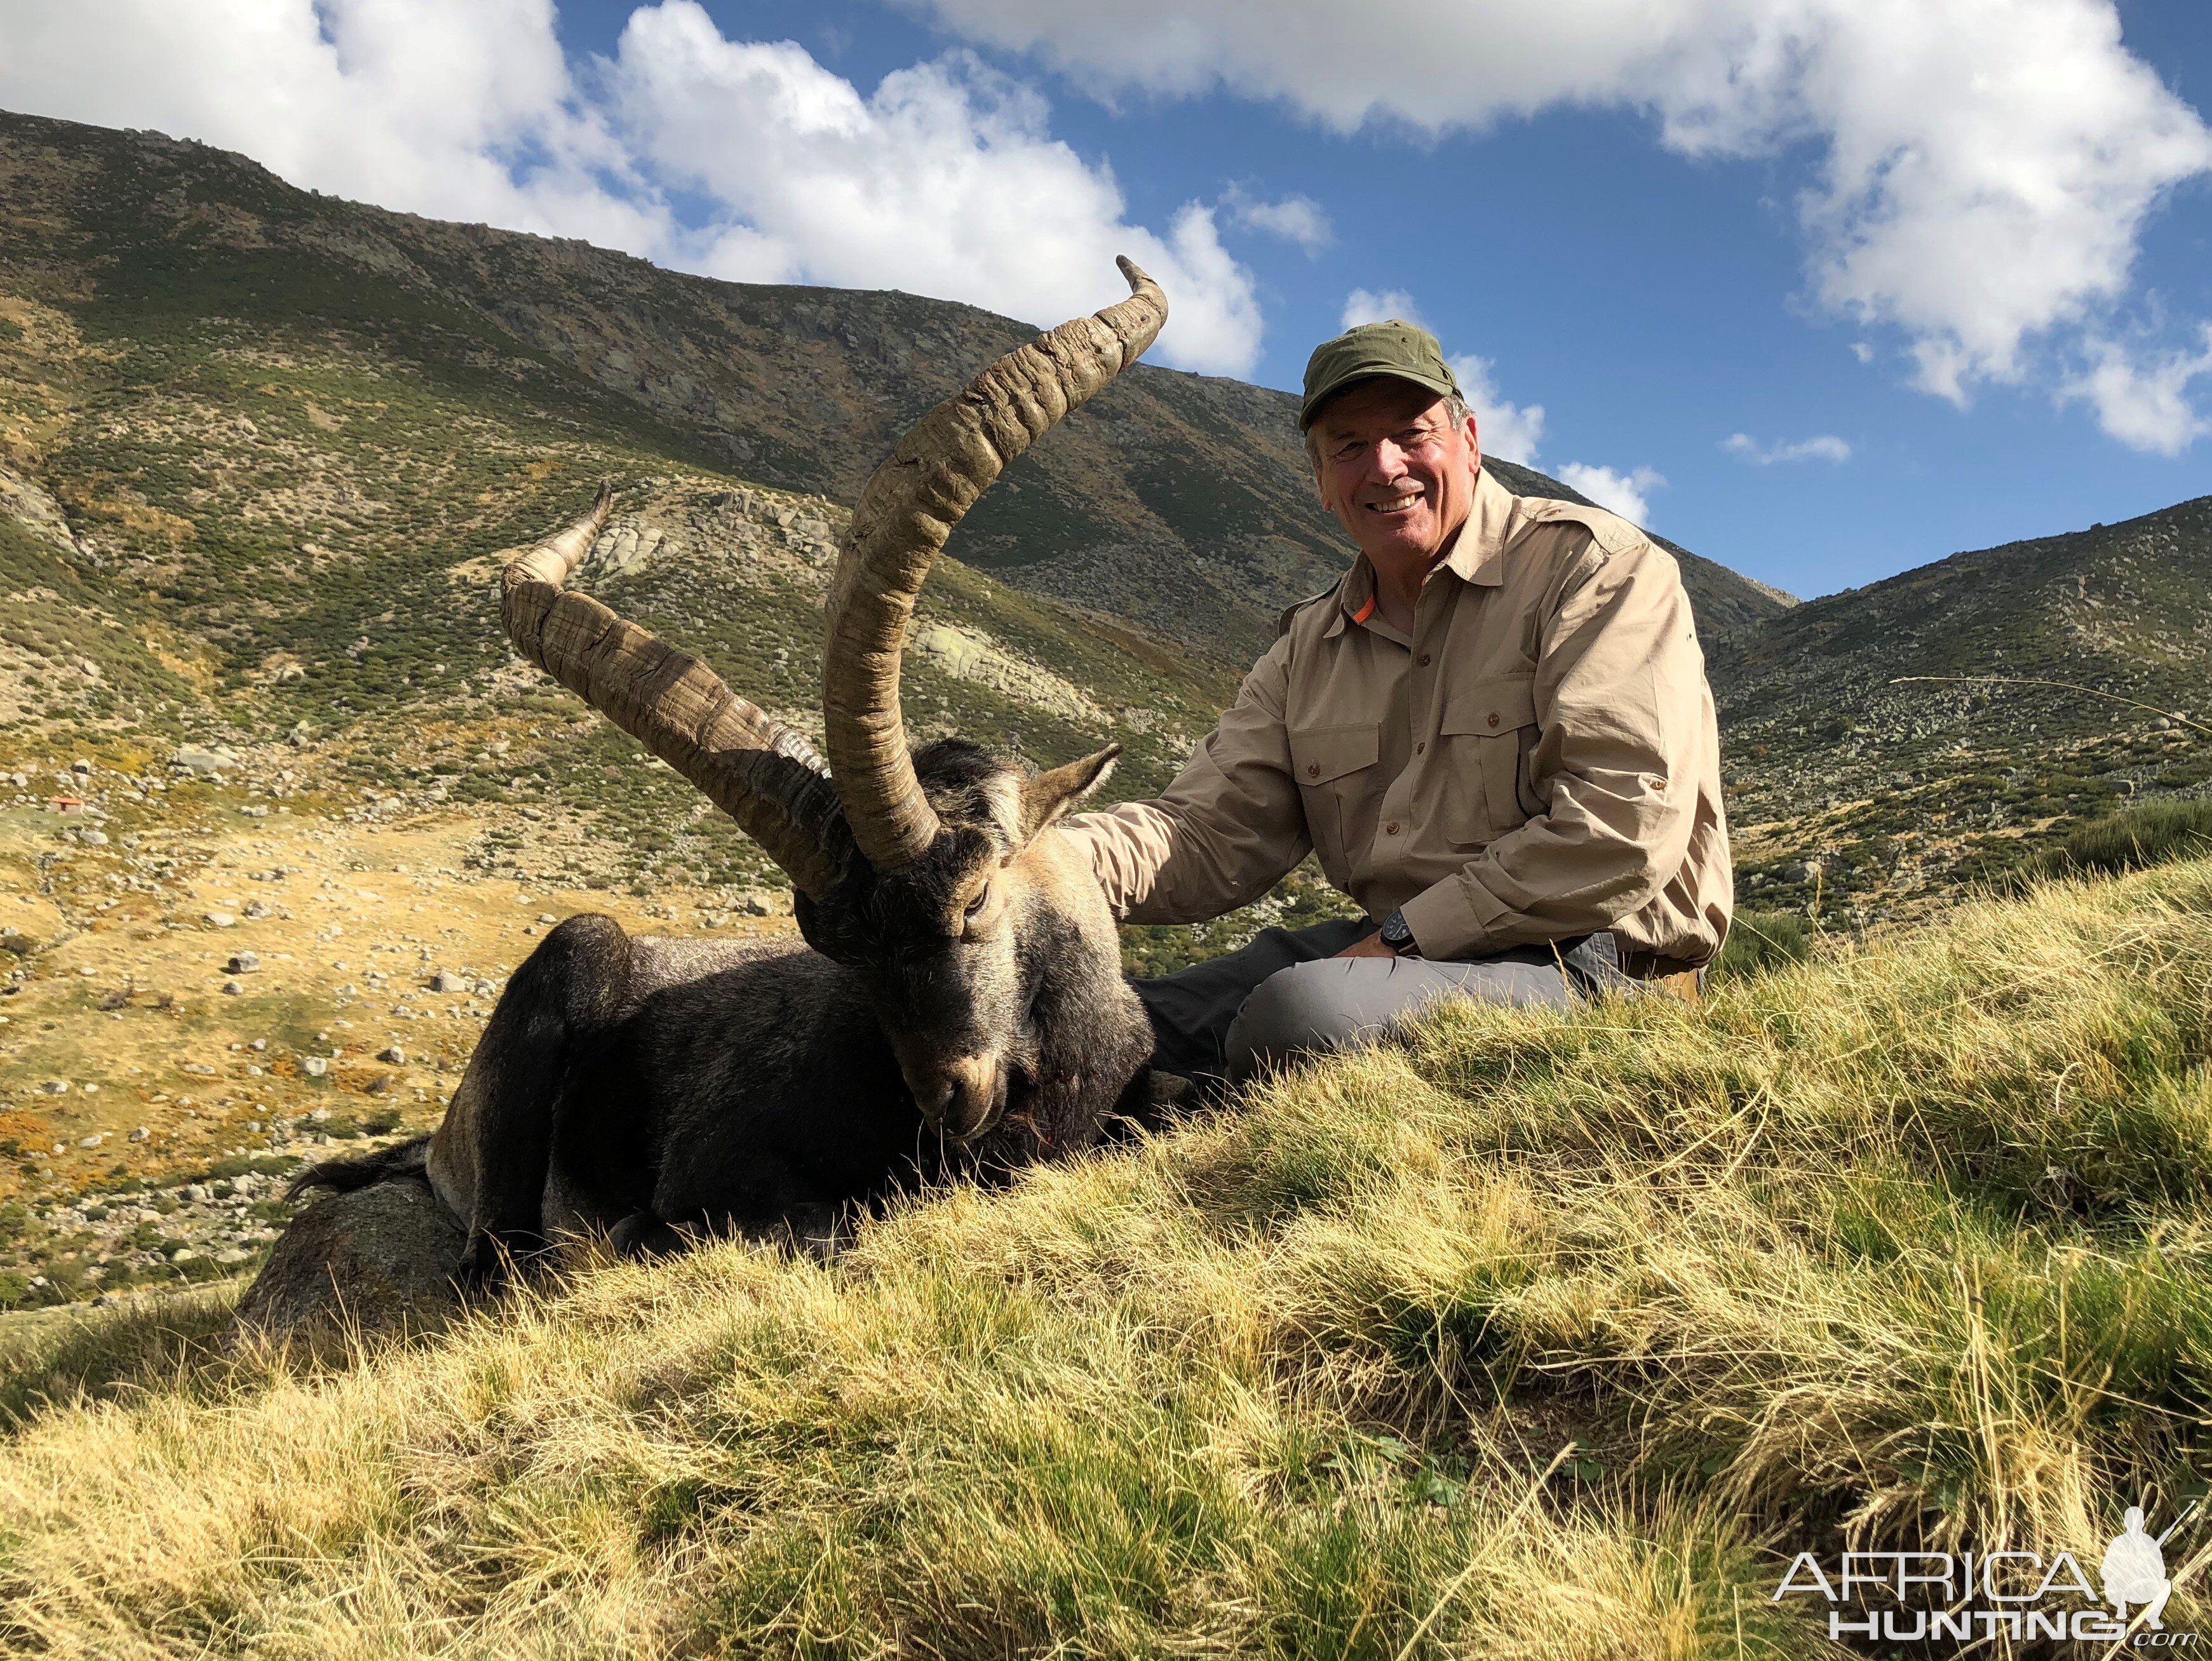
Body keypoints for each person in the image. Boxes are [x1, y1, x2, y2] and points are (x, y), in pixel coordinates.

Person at [1059, 318, 1732, 1088]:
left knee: (1298, 1016)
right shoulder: (1305, 648)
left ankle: (1192, 1112)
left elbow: (1619, 825)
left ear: (1468, 441)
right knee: (1100, 1027)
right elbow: (1204, 834)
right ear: (1319, 481)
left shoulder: (1594, 571)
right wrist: (1040, 864)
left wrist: (1405, 940)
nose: (1384, 466)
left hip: (1595, 964)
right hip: (1395, 952)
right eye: (1348, 446)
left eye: (1412, 433)